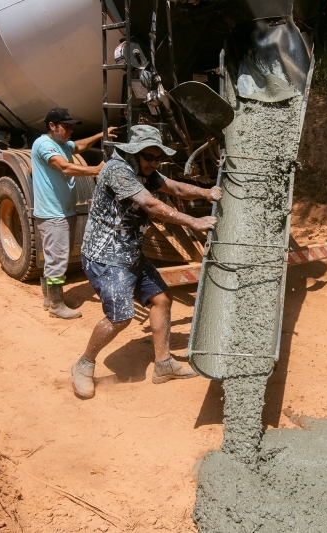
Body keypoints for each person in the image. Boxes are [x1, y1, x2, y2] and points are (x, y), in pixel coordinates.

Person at [71, 125, 221, 399]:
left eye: (157, 158)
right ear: (134, 153)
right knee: (120, 317)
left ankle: (163, 365)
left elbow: (174, 187)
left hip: (129, 253)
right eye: (149, 157)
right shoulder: (117, 170)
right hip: (106, 258)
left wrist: (206, 192)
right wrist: (194, 222)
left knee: (162, 299)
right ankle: (84, 364)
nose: (154, 163)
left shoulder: (144, 171)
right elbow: (151, 205)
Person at [32, 107, 116, 319]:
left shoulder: (61, 144)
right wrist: (97, 170)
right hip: (53, 214)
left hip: (62, 210)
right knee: (58, 259)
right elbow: (66, 168)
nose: (70, 131)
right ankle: (56, 305)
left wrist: (99, 135)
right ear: (52, 126)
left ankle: (48, 297)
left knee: (55, 256)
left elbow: (77, 147)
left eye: (71, 127)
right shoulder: (44, 145)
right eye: (66, 127)